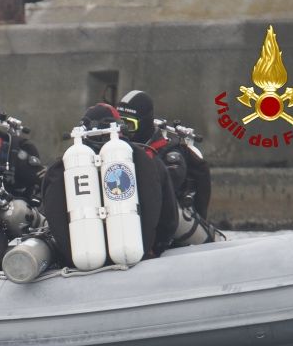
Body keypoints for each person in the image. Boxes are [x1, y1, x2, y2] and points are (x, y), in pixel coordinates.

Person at [39, 103, 178, 268]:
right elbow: (169, 220)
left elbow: (53, 217)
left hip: (81, 266)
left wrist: (68, 259)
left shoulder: (61, 168)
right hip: (138, 262)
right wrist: (154, 249)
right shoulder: (148, 161)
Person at [116, 90, 212, 220]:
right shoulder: (115, 149)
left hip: (163, 223)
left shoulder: (170, 155)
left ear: (144, 123)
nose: (123, 133)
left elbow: (162, 191)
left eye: (129, 125)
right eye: (119, 125)